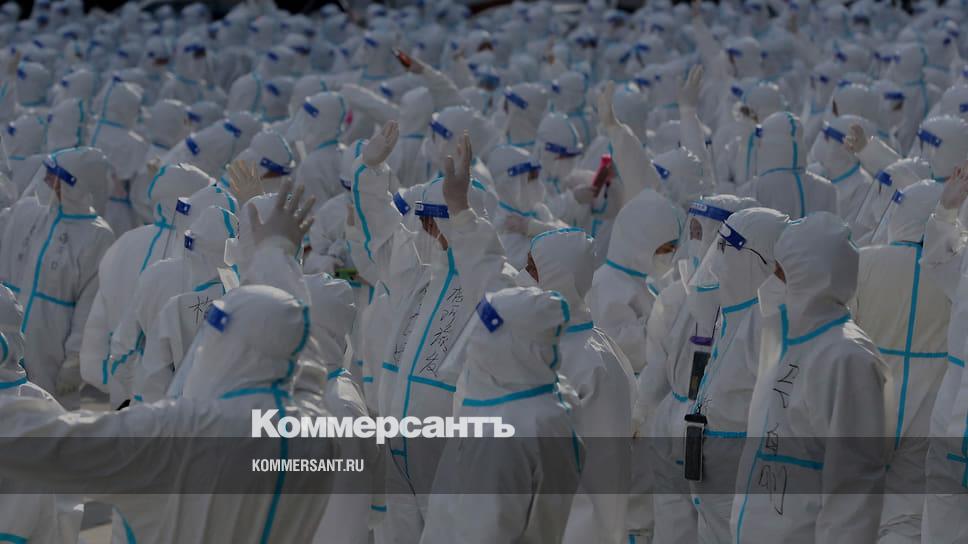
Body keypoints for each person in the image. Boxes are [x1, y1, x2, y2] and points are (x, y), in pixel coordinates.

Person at [732, 212, 889, 543]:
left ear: (809, 277)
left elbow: (853, 488)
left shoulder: (847, 358)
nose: (770, 283)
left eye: (780, 272)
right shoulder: (788, 343)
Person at [852, 180, 950, 542]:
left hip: (865, 405)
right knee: (906, 519)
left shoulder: (863, 261)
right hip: (928, 409)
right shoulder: (955, 275)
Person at [687, 207, 790, 542]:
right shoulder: (734, 314)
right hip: (714, 473)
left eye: (725, 248)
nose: (717, 261)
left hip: (741, 472)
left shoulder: (768, 323)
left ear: (756, 259)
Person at [0, 147, 114, 402]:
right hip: (8, 337)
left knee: (45, 413)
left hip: (51, 347)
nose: (47, 180)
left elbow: (90, 305)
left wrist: (74, 360)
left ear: (77, 184)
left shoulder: (96, 235)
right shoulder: (28, 212)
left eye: (56, 176)